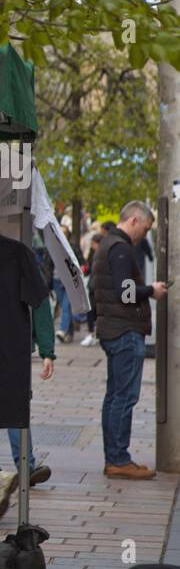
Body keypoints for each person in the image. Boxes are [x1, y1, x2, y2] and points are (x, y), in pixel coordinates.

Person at [94, 201, 167, 479]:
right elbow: (126, 293)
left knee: (114, 397)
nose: (145, 236)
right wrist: (152, 289)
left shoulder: (108, 244)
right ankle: (118, 459)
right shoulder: (121, 248)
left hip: (112, 328)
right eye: (146, 229)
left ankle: (115, 456)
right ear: (134, 220)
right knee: (124, 397)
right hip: (125, 331)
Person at [4, 294, 55, 484]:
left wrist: (47, 351)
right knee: (15, 405)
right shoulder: (27, 265)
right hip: (14, 346)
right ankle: (25, 466)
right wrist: (47, 351)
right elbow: (40, 305)